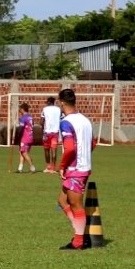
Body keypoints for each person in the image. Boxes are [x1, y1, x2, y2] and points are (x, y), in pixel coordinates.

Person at [56, 89, 95, 250]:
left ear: (61, 102)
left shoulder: (66, 122)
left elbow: (70, 148)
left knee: (76, 205)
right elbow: (93, 143)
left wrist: (62, 165)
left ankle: (79, 241)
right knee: (62, 201)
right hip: (83, 166)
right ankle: (79, 234)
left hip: (75, 169)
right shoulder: (85, 120)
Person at [39, 97, 62, 173]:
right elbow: (62, 120)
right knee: (54, 150)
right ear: (54, 102)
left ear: (48, 102)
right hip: (55, 133)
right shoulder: (59, 110)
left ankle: (48, 167)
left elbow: (41, 122)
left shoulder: (45, 109)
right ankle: (53, 168)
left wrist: (43, 129)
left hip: (46, 133)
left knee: (46, 149)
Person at [15, 103, 37, 173]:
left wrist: (16, 136)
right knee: (22, 152)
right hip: (31, 137)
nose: (19, 110)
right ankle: (20, 168)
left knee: (24, 152)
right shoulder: (30, 117)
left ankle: (32, 167)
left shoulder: (23, 118)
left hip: (25, 137)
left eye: (20, 109)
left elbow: (21, 128)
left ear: (22, 109)